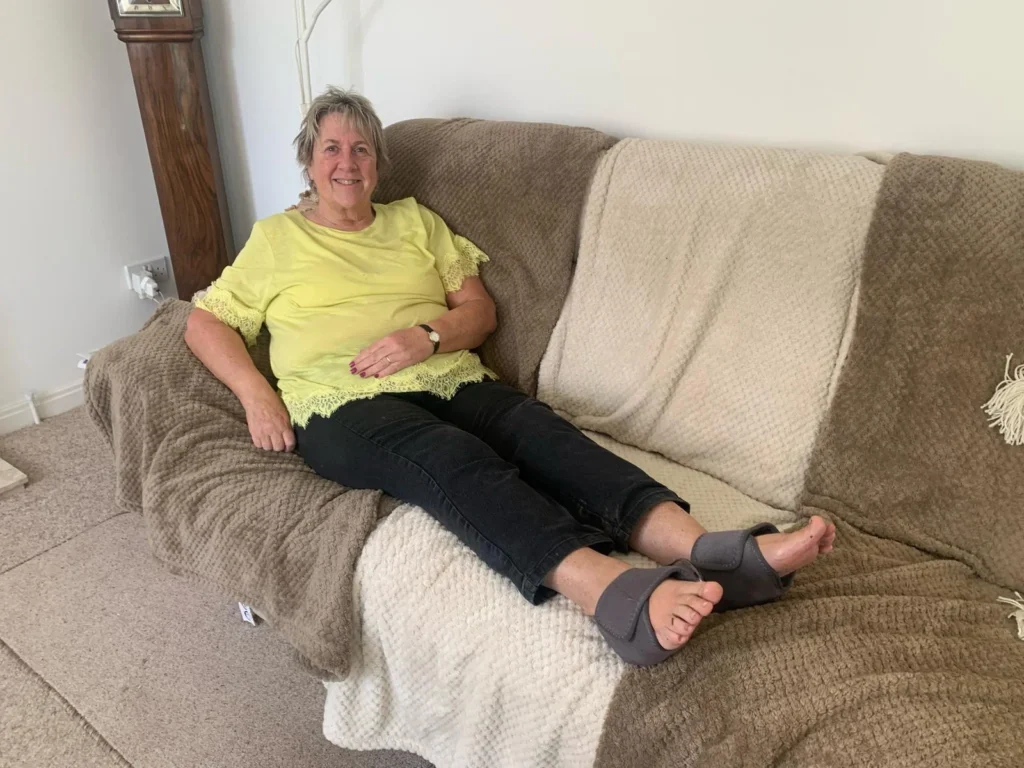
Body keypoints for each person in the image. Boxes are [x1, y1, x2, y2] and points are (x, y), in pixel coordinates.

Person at [185, 87, 835, 666]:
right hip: (342, 402)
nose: (347, 162)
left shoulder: (415, 222)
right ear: (308, 160)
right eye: (331, 148)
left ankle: (709, 553)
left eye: (361, 148)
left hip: (447, 373)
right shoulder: (277, 240)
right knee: (451, 455)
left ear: (378, 162)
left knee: (542, 433)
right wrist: (257, 396)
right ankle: (606, 591)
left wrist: (423, 336)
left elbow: (479, 312)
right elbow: (206, 322)